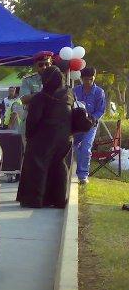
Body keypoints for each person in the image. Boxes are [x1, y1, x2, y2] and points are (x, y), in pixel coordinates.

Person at [17, 66, 74, 208]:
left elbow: (33, 120)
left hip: (44, 137)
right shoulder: (69, 94)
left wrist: (29, 135)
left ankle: (35, 199)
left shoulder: (41, 98)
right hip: (65, 136)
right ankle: (59, 199)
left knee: (37, 166)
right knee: (59, 164)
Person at [72, 66, 106, 184]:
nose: (89, 81)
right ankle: (72, 170)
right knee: (73, 147)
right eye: (86, 79)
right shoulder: (75, 90)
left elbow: (101, 110)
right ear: (81, 78)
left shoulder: (99, 92)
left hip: (90, 125)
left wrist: (91, 119)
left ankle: (82, 175)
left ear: (94, 78)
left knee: (86, 148)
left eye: (91, 79)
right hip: (76, 125)